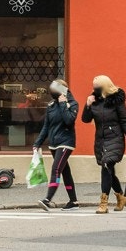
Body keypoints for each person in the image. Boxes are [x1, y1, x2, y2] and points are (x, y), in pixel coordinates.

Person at [82, 74, 126, 214]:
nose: (94, 89)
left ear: (105, 87)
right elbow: (85, 119)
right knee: (109, 171)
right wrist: (87, 105)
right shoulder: (94, 100)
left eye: (97, 87)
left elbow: (124, 121)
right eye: (94, 87)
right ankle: (121, 197)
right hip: (101, 140)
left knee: (106, 165)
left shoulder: (116, 100)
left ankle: (103, 203)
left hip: (115, 138)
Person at [33, 79, 79, 210]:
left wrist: (63, 103)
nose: (51, 91)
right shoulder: (51, 105)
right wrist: (38, 143)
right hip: (54, 143)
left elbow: (69, 120)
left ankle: (47, 199)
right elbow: (46, 126)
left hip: (66, 142)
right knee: (65, 171)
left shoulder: (72, 104)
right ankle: (74, 201)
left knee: (56, 169)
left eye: (55, 89)